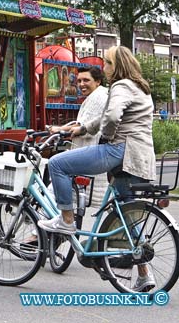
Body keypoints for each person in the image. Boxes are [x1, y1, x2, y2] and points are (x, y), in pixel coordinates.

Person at [39, 46, 157, 292]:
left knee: (57, 163)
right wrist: (80, 130)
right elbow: (103, 116)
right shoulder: (141, 88)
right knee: (125, 211)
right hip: (138, 157)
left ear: (117, 66)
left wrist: (106, 137)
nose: (104, 67)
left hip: (118, 151)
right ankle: (145, 273)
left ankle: (66, 220)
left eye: (107, 63)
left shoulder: (121, 86)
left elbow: (112, 118)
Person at [49, 66, 109, 207]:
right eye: (79, 80)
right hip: (96, 152)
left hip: (90, 152)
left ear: (98, 81)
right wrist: (61, 128)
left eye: (86, 80)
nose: (81, 84)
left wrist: (58, 130)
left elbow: (83, 126)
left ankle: (63, 221)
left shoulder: (98, 97)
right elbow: (82, 123)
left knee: (56, 167)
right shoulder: (97, 96)